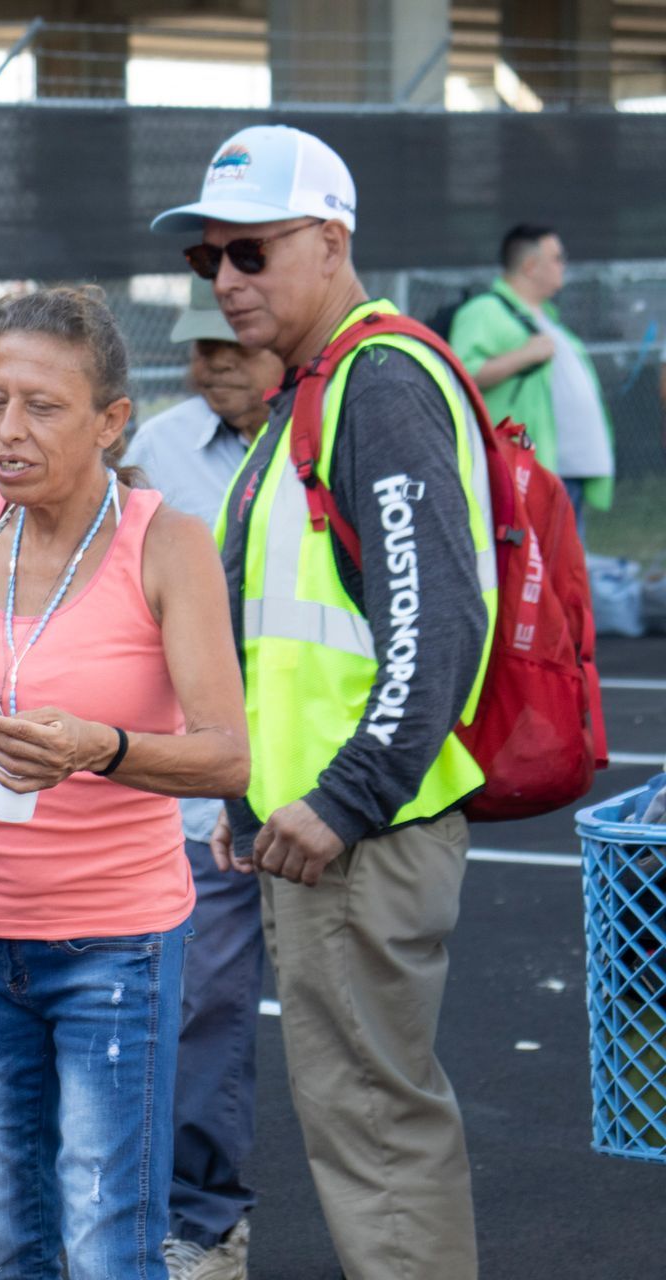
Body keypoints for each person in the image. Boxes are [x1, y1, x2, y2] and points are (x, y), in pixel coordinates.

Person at [0, 286, 249, 1280]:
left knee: (110, 1247)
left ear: (113, 420)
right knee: (0, 1243)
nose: (8, 431)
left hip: (114, 942)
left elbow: (229, 755)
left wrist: (97, 745)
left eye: (43, 406)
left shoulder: (165, 541)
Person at [153, 124, 496, 1280]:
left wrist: (339, 798)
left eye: (250, 252)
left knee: (379, 1136)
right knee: (366, 1124)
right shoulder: (323, 385)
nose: (226, 283)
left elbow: (432, 627)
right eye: (210, 262)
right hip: (318, 831)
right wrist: (249, 794)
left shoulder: (376, 383)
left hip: (360, 833)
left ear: (331, 240)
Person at [125, 277, 282, 1280]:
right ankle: (207, 1219)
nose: (210, 363)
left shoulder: (326, 439)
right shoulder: (159, 450)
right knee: (204, 1003)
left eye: (229, 346)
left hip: (323, 777)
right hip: (196, 781)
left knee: (342, 1036)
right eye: (197, 348)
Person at [450, 223, 614, 539]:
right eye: (557, 257)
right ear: (529, 265)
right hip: (530, 474)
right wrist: (526, 355)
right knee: (538, 574)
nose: (563, 265)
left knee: (565, 573)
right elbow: (462, 374)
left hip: (566, 473)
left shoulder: (546, 317)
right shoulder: (485, 311)